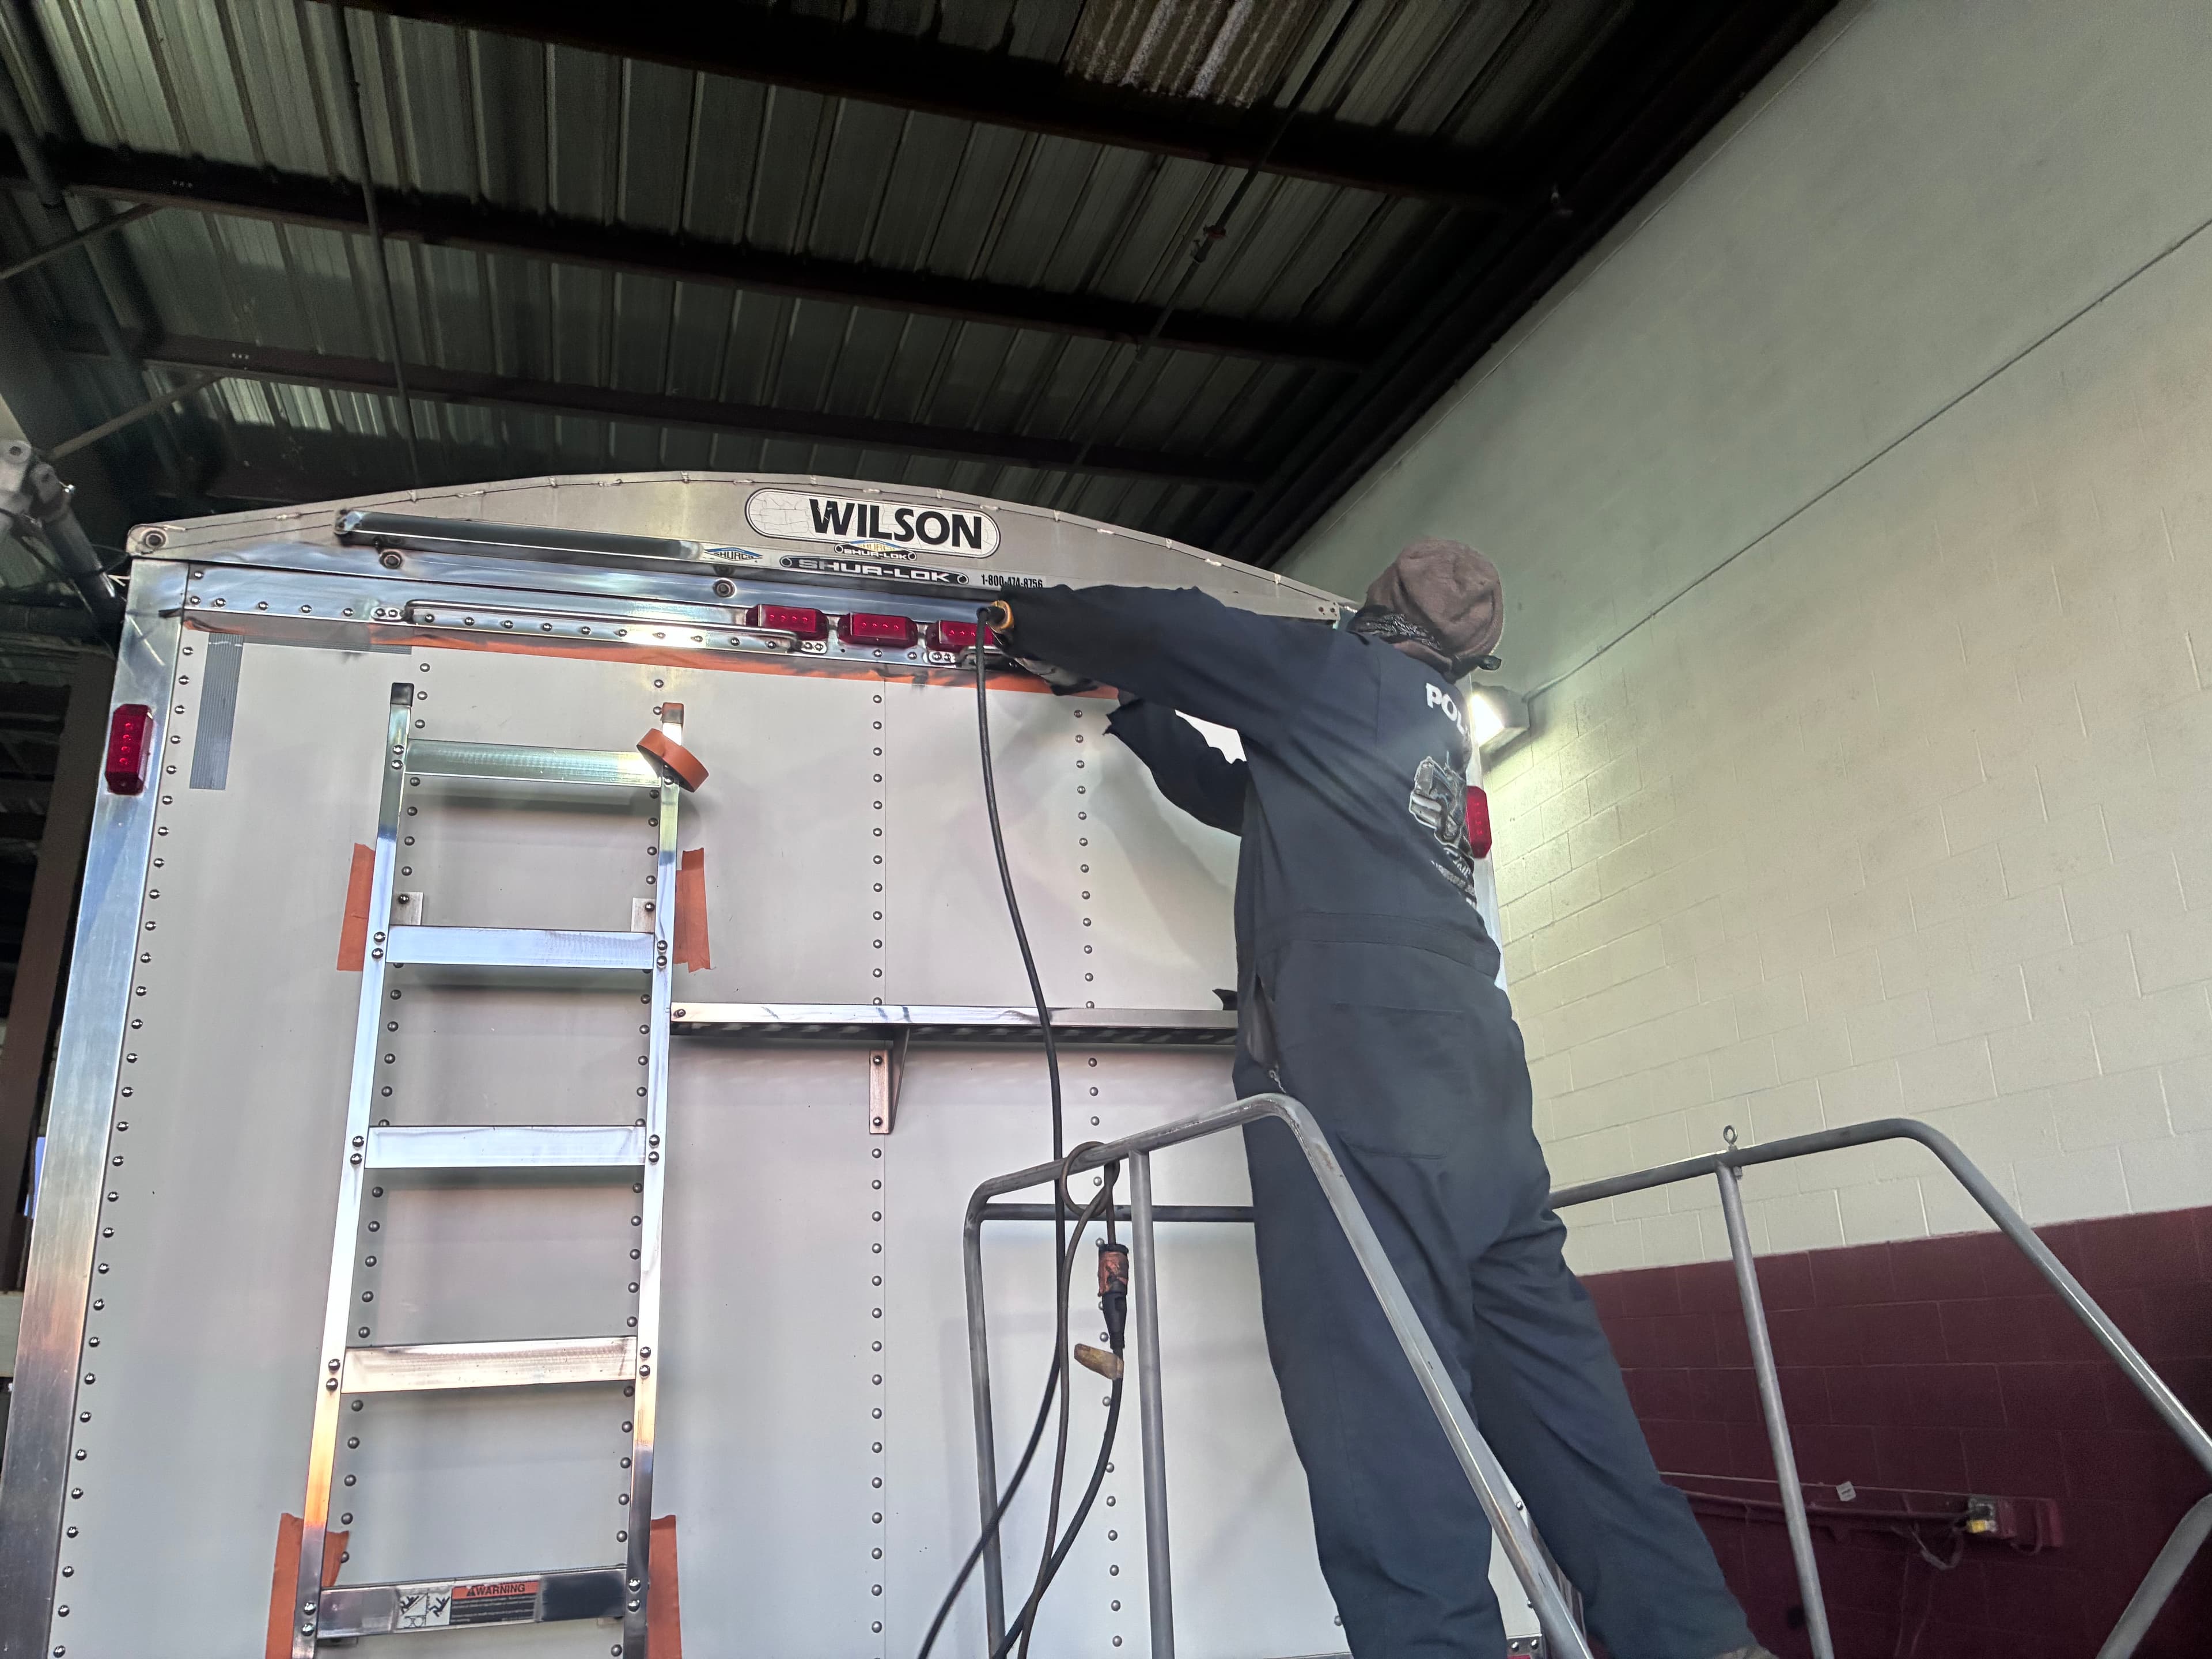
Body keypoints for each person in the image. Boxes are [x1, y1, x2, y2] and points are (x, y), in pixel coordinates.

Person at [983, 541, 1768, 1659]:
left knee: (1380, 1407)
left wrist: (1026, 617)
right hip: (1482, 1099)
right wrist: (1140, 715)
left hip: (1365, 1089)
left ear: (1375, 612)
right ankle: (1695, 1637)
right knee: (1557, 1398)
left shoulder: (1335, 674)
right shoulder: (1427, 727)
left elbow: (1172, 623)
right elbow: (1243, 798)